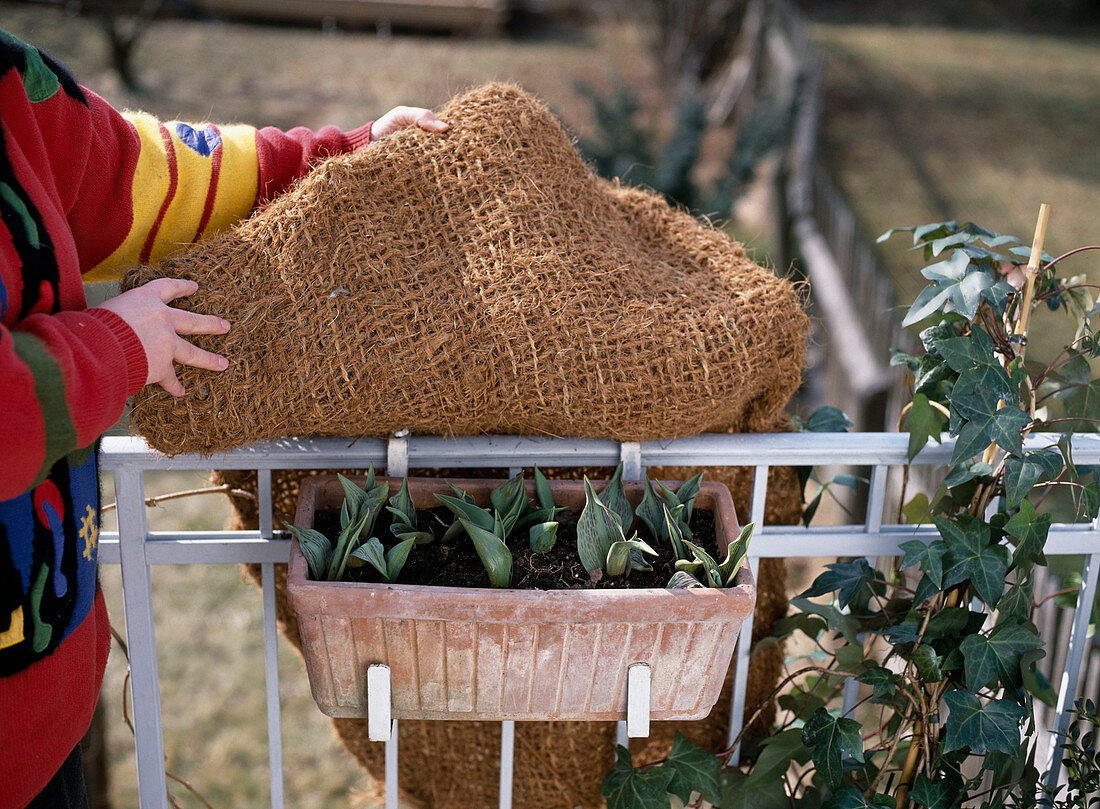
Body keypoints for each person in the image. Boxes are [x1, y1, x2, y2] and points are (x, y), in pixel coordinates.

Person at [0, 28, 448, 809]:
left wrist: (338, 154)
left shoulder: (11, 83)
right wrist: (115, 347)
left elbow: (142, 174)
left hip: (44, 724)